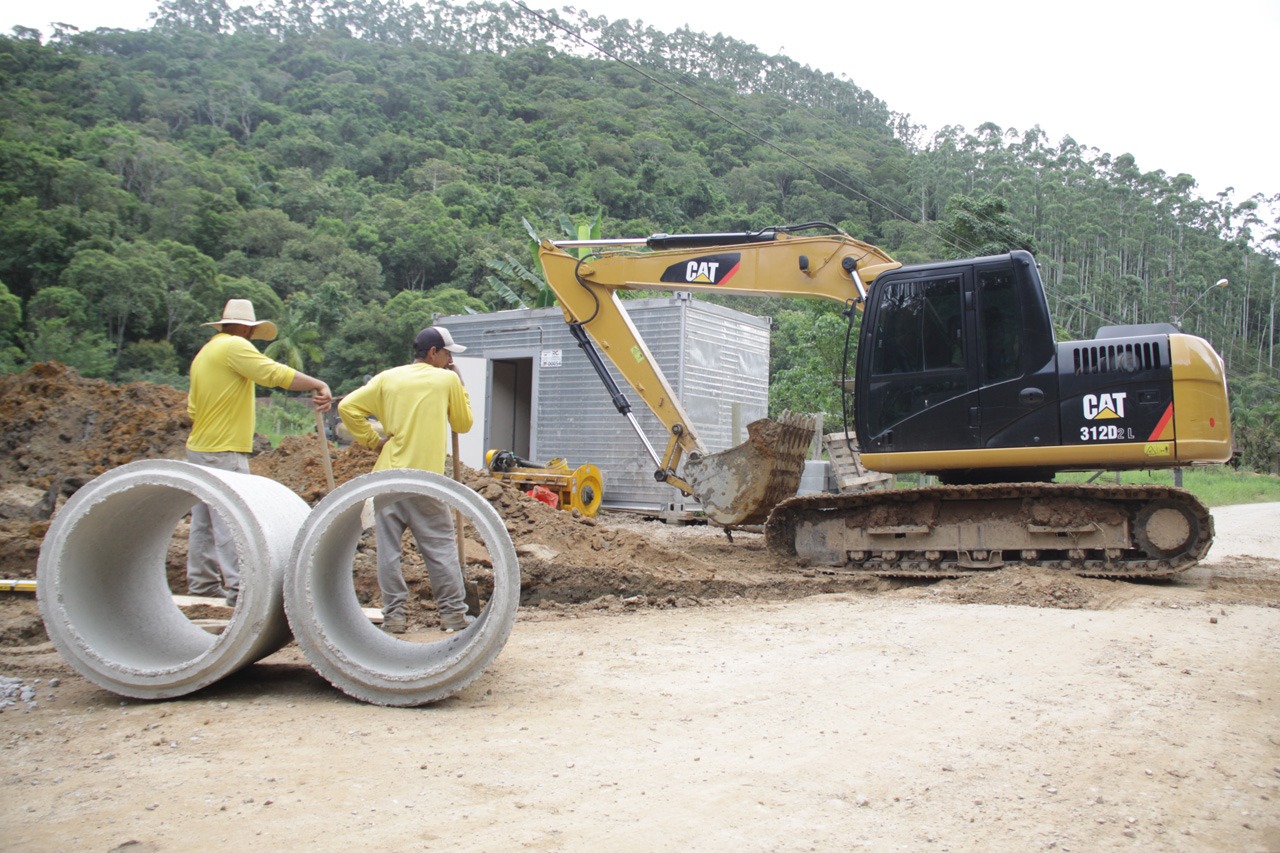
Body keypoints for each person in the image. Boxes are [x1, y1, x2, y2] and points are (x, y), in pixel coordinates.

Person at [186, 299, 332, 606]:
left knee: (204, 520)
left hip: (200, 446)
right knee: (233, 519)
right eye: (251, 331)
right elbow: (274, 374)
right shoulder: (234, 347)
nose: (252, 337)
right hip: (223, 449)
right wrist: (317, 383)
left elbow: (192, 408)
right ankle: (240, 589)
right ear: (243, 328)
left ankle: (202, 584)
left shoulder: (206, 352)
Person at [338, 326, 475, 634]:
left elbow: (347, 407)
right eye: (447, 353)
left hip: (386, 479)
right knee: (440, 548)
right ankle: (453, 614)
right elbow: (463, 424)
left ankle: (395, 617)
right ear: (433, 353)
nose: (450, 359)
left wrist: (373, 442)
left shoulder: (388, 377)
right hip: (424, 480)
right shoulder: (447, 379)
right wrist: (460, 384)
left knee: (388, 552)